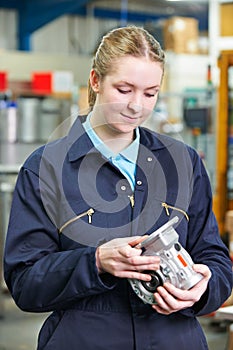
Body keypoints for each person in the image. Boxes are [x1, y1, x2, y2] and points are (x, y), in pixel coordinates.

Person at [3, 25, 232, 350]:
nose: (137, 106)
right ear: (95, 81)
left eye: (150, 93)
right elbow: (25, 284)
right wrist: (94, 261)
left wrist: (203, 289)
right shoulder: (45, 169)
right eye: (124, 90)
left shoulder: (183, 162)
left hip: (175, 340)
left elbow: (214, 258)